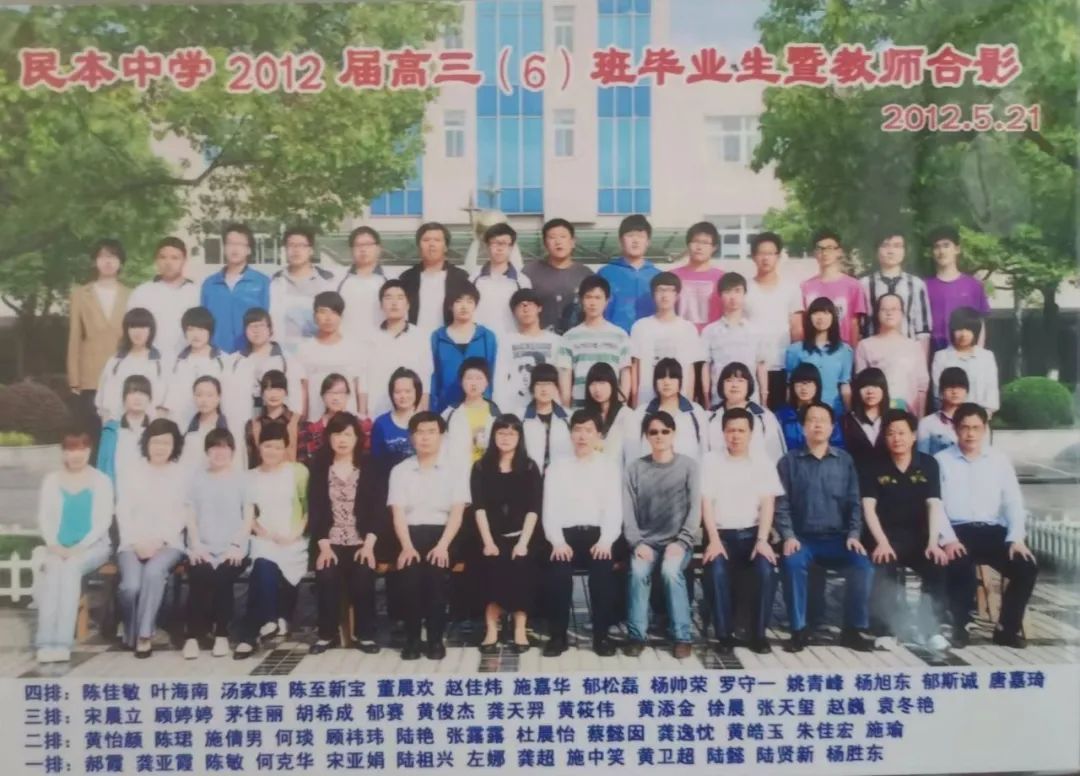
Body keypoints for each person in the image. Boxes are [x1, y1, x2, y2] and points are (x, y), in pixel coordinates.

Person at [775, 402, 875, 652]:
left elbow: (854, 502)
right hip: (802, 539)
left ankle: (854, 629)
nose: (817, 424)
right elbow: (781, 505)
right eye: (811, 420)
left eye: (823, 420)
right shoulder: (788, 462)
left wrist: (854, 534)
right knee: (792, 563)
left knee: (862, 565)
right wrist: (788, 536)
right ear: (803, 427)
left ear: (832, 428)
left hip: (838, 539)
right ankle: (799, 629)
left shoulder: (844, 461)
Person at [936, 403, 1038, 648]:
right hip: (958, 531)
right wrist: (948, 539)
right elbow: (935, 506)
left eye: (976, 428)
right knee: (959, 564)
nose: (970, 434)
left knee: (1026, 567)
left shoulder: (999, 460)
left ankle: (1006, 629)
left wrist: (1016, 537)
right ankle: (959, 626)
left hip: (993, 531)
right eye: (965, 427)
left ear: (985, 429)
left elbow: (1013, 501)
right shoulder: (940, 461)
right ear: (955, 428)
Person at [860, 410, 950, 650]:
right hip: (885, 537)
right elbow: (868, 507)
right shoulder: (873, 466)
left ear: (913, 436)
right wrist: (881, 542)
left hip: (920, 537)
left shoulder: (928, 464)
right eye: (890, 433)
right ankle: (886, 630)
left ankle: (930, 629)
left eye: (902, 433)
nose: (896, 438)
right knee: (883, 565)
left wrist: (933, 542)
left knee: (936, 563)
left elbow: (934, 504)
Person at [388, 412, 469, 660]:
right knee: (409, 576)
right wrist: (406, 546)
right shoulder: (400, 471)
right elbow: (398, 513)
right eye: (419, 432)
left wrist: (443, 546)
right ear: (411, 437)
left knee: (435, 576)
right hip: (409, 534)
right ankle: (412, 639)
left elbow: (457, 513)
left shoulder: (455, 470)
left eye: (431, 432)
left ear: (441, 436)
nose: (425, 437)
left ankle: (435, 639)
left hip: (443, 534)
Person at [700, 408, 782, 655]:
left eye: (741, 431)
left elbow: (768, 503)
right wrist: (713, 540)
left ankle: (758, 635)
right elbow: (706, 503)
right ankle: (724, 635)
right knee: (716, 571)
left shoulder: (763, 462)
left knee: (765, 571)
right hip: (721, 536)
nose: (735, 436)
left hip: (753, 535)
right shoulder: (711, 461)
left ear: (751, 433)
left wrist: (763, 540)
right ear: (723, 432)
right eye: (731, 430)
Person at [542, 410, 623, 657]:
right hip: (564, 536)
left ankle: (601, 636)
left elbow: (614, 508)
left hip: (598, 536)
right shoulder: (557, 467)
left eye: (589, 430)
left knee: (602, 577)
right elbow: (550, 509)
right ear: (570, 434)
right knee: (558, 575)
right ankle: (558, 637)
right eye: (577, 430)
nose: (582, 436)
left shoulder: (608, 467)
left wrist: (606, 540)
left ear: (598, 435)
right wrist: (557, 542)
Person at [623, 411, 702, 659]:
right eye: (653, 432)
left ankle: (682, 636)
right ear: (646, 436)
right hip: (645, 543)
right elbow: (627, 512)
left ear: (673, 434)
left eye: (665, 431)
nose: (659, 436)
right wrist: (637, 543)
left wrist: (682, 541)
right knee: (638, 572)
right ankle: (636, 635)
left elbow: (695, 509)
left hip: (678, 543)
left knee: (670, 571)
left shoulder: (689, 466)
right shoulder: (634, 469)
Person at [33, 429, 114, 664]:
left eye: (82, 449)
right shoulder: (52, 480)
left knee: (70, 570)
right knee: (53, 569)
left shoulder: (101, 481)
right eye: (71, 450)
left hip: (92, 547)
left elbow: (103, 522)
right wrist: (54, 545)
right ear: (63, 453)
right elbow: (44, 518)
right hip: (58, 547)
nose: (76, 455)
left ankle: (61, 643)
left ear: (89, 451)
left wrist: (80, 547)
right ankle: (45, 642)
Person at [308, 413, 383, 655]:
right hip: (329, 540)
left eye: (348, 434)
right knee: (326, 574)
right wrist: (324, 546)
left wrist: (369, 545)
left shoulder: (370, 466)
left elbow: (377, 509)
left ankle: (366, 635)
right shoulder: (320, 466)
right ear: (329, 437)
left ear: (357, 438)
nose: (342, 440)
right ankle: (326, 634)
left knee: (363, 575)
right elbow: (316, 509)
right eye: (337, 434)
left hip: (363, 539)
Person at [234, 423, 309, 658]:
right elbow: (247, 513)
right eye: (267, 446)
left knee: (270, 568)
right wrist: (261, 531)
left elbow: (308, 508)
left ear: (285, 448)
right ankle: (263, 624)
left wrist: (294, 534)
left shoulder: (298, 472)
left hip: (293, 538)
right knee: (262, 565)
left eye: (278, 447)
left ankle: (258, 627)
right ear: (259, 447)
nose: (272, 452)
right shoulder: (250, 477)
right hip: (263, 537)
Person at [115, 418, 188, 658]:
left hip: (168, 543)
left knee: (154, 573)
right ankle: (131, 628)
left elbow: (181, 514)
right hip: (132, 542)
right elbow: (123, 510)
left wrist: (159, 541)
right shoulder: (132, 471)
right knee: (130, 587)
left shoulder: (180, 474)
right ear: (147, 443)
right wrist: (136, 541)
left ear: (174, 445)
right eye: (156, 442)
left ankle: (144, 634)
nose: (160, 448)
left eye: (166, 443)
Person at [472, 415, 543, 653]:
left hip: (523, 535)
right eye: (501, 433)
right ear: (493, 436)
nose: (506, 438)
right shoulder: (481, 467)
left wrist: (523, 543)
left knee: (522, 564)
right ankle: (492, 628)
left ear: (519, 437)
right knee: (492, 564)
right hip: (489, 536)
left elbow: (534, 508)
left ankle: (520, 628)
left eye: (512, 433)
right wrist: (488, 542)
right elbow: (479, 507)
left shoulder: (530, 467)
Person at [182, 428, 250, 659]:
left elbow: (248, 518)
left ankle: (221, 634)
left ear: (232, 451)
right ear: (207, 451)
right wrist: (196, 545)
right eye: (214, 447)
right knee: (199, 575)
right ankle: (192, 636)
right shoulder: (196, 478)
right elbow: (190, 516)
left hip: (233, 548)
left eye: (224, 447)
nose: (219, 452)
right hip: (202, 545)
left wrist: (236, 546)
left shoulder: (242, 479)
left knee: (222, 577)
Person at [67, 238, 131, 446]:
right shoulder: (80, 294)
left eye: (113, 257)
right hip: (90, 375)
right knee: (92, 433)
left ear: (120, 262)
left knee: (121, 434)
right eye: (103, 256)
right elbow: (75, 336)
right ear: (95, 261)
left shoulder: (130, 295)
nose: (108, 261)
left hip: (122, 371)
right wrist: (74, 378)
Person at [745, 231, 803, 411]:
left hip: (781, 364)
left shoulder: (791, 288)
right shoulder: (745, 288)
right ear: (753, 256)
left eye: (770, 253)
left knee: (780, 415)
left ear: (778, 256)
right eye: (761, 253)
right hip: (751, 365)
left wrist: (795, 366)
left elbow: (796, 328)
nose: (766, 258)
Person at [223, 308, 303, 435]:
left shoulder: (286, 361)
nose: (256, 330)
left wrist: (292, 427)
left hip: (277, 428)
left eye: (261, 325)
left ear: (270, 329)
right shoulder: (234, 361)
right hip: (240, 425)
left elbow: (296, 399)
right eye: (251, 326)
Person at [629, 272, 703, 407]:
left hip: (679, 402)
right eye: (660, 290)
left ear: (677, 295)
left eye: (669, 290)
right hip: (647, 401)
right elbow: (635, 367)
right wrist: (635, 402)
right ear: (653, 294)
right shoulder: (640, 327)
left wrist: (689, 402)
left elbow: (690, 369)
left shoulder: (688, 329)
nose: (664, 295)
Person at [557, 276, 632, 408]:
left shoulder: (620, 335)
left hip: (611, 410)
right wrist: (566, 409)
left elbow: (625, 374)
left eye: (598, 298)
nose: (593, 303)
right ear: (581, 300)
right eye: (588, 297)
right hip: (581, 410)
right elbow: (565, 376)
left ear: (607, 301)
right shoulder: (569, 337)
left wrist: (621, 405)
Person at [365, 279, 433, 419]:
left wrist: (422, 412)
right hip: (377, 411)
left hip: (411, 412)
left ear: (408, 305)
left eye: (400, 298)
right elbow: (363, 378)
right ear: (381, 305)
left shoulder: (420, 336)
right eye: (388, 298)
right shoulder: (370, 337)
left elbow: (425, 376)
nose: (394, 303)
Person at [127, 237, 201, 364]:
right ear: (156, 260)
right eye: (163, 257)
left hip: (188, 363)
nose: (168, 262)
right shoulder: (141, 293)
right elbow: (130, 329)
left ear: (184, 260)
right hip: (149, 363)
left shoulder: (197, 293)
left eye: (174, 258)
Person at [855, 294, 930, 417]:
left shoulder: (914, 346)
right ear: (877, 313)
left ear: (902, 313)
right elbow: (861, 384)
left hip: (907, 414)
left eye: (894, 309)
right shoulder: (865, 345)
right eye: (884, 309)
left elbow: (922, 386)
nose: (889, 313)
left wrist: (920, 417)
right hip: (877, 414)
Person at [200, 223, 271, 354]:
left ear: (249, 250)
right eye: (230, 243)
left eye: (240, 244)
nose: (234, 248)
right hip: (216, 354)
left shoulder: (262, 283)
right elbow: (203, 322)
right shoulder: (210, 284)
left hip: (251, 353)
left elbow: (268, 319)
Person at [860, 229, 932, 358]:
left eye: (897, 246)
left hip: (907, 355)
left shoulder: (916, 284)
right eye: (885, 245)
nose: (891, 251)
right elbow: (860, 326)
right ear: (876, 250)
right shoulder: (864, 285)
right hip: (874, 354)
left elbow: (923, 330)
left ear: (905, 251)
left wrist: (921, 362)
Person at [269, 226, 339, 357]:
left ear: (311, 250)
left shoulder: (327, 282)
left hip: (318, 354)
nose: (296, 250)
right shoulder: (274, 282)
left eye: (301, 245)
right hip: (282, 356)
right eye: (291, 245)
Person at [429, 283, 498, 413]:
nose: (464, 306)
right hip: (445, 408)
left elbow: (493, 373)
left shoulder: (487, 337)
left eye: (469, 301)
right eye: (458, 301)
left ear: (475, 305)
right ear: (450, 306)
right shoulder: (438, 337)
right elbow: (434, 377)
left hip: (480, 408)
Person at [492, 288, 562, 417]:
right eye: (520, 305)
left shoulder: (556, 341)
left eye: (529, 304)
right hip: (515, 408)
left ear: (539, 308)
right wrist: (500, 409)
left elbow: (562, 377)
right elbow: (499, 378)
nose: (525, 309)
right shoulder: (507, 341)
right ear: (514, 312)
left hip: (549, 408)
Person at [702, 272, 769, 407]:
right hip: (719, 400)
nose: (733, 297)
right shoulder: (710, 331)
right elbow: (706, 366)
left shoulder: (756, 330)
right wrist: (706, 398)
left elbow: (761, 366)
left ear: (744, 294)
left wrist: (764, 398)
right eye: (727, 292)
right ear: (720, 296)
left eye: (737, 291)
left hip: (751, 400)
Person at [297, 291, 365, 422]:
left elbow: (360, 387)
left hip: (347, 425)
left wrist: (362, 417)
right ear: (314, 316)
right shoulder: (305, 349)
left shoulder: (354, 348)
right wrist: (302, 420)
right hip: (316, 422)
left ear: (341, 316)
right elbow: (303, 390)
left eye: (334, 312)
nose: (328, 318)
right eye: (323, 312)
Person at [925, 226, 990, 354]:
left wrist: (978, 353)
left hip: (966, 351)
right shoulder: (924, 286)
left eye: (946, 245)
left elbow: (980, 322)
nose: (941, 251)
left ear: (957, 249)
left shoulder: (973, 285)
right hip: (935, 351)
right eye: (937, 247)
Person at [95, 307, 166, 424]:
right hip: (117, 425)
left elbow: (166, 401)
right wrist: (108, 424)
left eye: (143, 327)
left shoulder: (162, 362)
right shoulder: (115, 361)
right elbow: (102, 398)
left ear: (151, 330)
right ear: (126, 330)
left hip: (150, 427)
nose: (138, 332)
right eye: (133, 327)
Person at [398, 222, 472, 333]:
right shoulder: (406, 278)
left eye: (437, 240)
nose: (431, 244)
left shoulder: (461, 278)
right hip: (413, 339)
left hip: (449, 340)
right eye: (426, 240)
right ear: (419, 246)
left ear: (445, 247)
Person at [706, 362, 786, 465]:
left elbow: (776, 455)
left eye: (740, 381)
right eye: (729, 380)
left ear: (749, 385)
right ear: (721, 385)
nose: (734, 385)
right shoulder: (709, 417)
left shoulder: (764, 417)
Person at [785, 296, 853, 416]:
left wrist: (849, 413)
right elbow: (791, 384)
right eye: (816, 313)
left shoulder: (844, 350)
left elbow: (844, 385)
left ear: (833, 317)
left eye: (826, 313)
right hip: (805, 413)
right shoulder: (795, 350)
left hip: (834, 411)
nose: (820, 317)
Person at [522, 218, 593, 333]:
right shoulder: (529, 272)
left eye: (563, 236)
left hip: (577, 338)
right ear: (545, 244)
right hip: (541, 339)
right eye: (552, 237)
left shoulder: (586, 274)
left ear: (572, 242)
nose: (558, 242)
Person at [799, 229, 867, 348]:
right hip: (813, 350)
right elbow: (803, 322)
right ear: (815, 253)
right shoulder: (805, 287)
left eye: (830, 248)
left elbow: (854, 323)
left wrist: (853, 352)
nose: (825, 253)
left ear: (839, 252)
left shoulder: (853, 286)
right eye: (820, 249)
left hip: (842, 349)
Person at [163, 306, 228, 427]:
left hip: (212, 426)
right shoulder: (176, 361)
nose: (196, 335)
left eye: (201, 329)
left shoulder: (224, 360)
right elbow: (169, 399)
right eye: (191, 329)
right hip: (179, 424)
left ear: (210, 332)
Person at [633, 358, 709, 462]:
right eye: (661, 377)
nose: (666, 382)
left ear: (680, 381)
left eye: (672, 377)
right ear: (655, 381)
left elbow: (705, 451)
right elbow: (633, 453)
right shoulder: (642, 413)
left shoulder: (696, 412)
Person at [598, 214, 661, 333]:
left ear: (648, 242)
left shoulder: (658, 277)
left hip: (649, 338)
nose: (635, 241)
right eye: (630, 235)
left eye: (640, 236)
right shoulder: (605, 274)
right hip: (614, 338)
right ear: (621, 240)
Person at [931, 307, 1000, 415]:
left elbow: (991, 392)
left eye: (969, 329)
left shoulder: (986, 357)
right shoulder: (941, 357)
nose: (963, 334)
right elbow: (938, 392)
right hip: (950, 417)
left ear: (976, 331)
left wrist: (984, 415)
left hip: (980, 417)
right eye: (959, 329)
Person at [471, 223, 532, 337]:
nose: (499, 249)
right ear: (487, 246)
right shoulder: (474, 278)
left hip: (512, 340)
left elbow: (528, 315)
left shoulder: (522, 281)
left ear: (511, 247)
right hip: (480, 341)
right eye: (494, 243)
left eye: (503, 243)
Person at [442, 358, 500, 471]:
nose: (473, 383)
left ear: (487, 383)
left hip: (487, 474)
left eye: (479, 378)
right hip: (458, 474)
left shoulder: (495, 413)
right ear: (461, 382)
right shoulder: (449, 413)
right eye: (469, 378)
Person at [96, 375, 152, 491]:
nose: (137, 398)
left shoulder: (156, 432)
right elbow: (102, 467)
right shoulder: (110, 431)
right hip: (118, 494)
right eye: (132, 392)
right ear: (123, 398)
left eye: (143, 393)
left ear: (150, 399)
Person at [775, 363, 844, 452]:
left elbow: (838, 447)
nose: (804, 388)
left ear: (817, 386)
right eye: (799, 383)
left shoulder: (826, 413)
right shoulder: (782, 415)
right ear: (792, 386)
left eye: (808, 383)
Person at [337, 226, 386, 345]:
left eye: (368, 244)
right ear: (351, 250)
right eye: (358, 245)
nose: (363, 249)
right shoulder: (338, 280)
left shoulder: (390, 279)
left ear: (378, 248)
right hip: (347, 346)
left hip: (382, 346)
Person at [370, 368, 422, 482]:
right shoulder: (381, 424)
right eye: (398, 392)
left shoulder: (426, 422)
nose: (403, 396)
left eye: (408, 391)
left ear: (417, 392)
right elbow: (376, 463)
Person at [583, 362, 637, 468]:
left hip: (618, 476)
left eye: (602, 383)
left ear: (613, 384)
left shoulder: (627, 416)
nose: (597, 389)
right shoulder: (586, 417)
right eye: (592, 384)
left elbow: (633, 459)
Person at [672, 221, 723, 333]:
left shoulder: (722, 278)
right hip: (680, 336)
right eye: (695, 241)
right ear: (688, 244)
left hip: (713, 337)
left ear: (714, 247)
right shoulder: (673, 276)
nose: (699, 247)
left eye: (705, 243)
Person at [520, 364, 571, 475]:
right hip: (528, 478)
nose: (544, 389)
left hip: (560, 478)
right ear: (532, 387)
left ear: (556, 387)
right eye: (539, 384)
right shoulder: (520, 417)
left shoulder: (569, 417)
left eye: (548, 384)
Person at [244, 370, 301, 467]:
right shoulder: (253, 425)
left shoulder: (298, 421)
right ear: (262, 393)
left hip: (291, 475)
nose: (274, 395)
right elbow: (252, 462)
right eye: (269, 389)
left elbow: (303, 462)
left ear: (286, 392)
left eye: (278, 389)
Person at [841, 367, 890, 475]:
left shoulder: (892, 419)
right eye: (865, 386)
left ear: (884, 390)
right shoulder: (846, 422)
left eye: (875, 386)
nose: (870, 391)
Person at [179, 376, 233, 474]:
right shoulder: (186, 429)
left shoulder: (230, 428)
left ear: (218, 398)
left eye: (209, 395)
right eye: (199, 395)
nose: (204, 400)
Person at [297, 373, 353, 465]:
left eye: (340, 392)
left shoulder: (358, 426)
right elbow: (302, 463)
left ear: (348, 395)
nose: (335, 397)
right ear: (322, 396)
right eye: (330, 393)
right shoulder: (309, 429)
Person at [918, 367, 968, 456]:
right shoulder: (927, 423)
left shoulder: (974, 423)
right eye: (950, 387)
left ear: (967, 391)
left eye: (960, 387)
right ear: (941, 391)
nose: (955, 391)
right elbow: (922, 457)